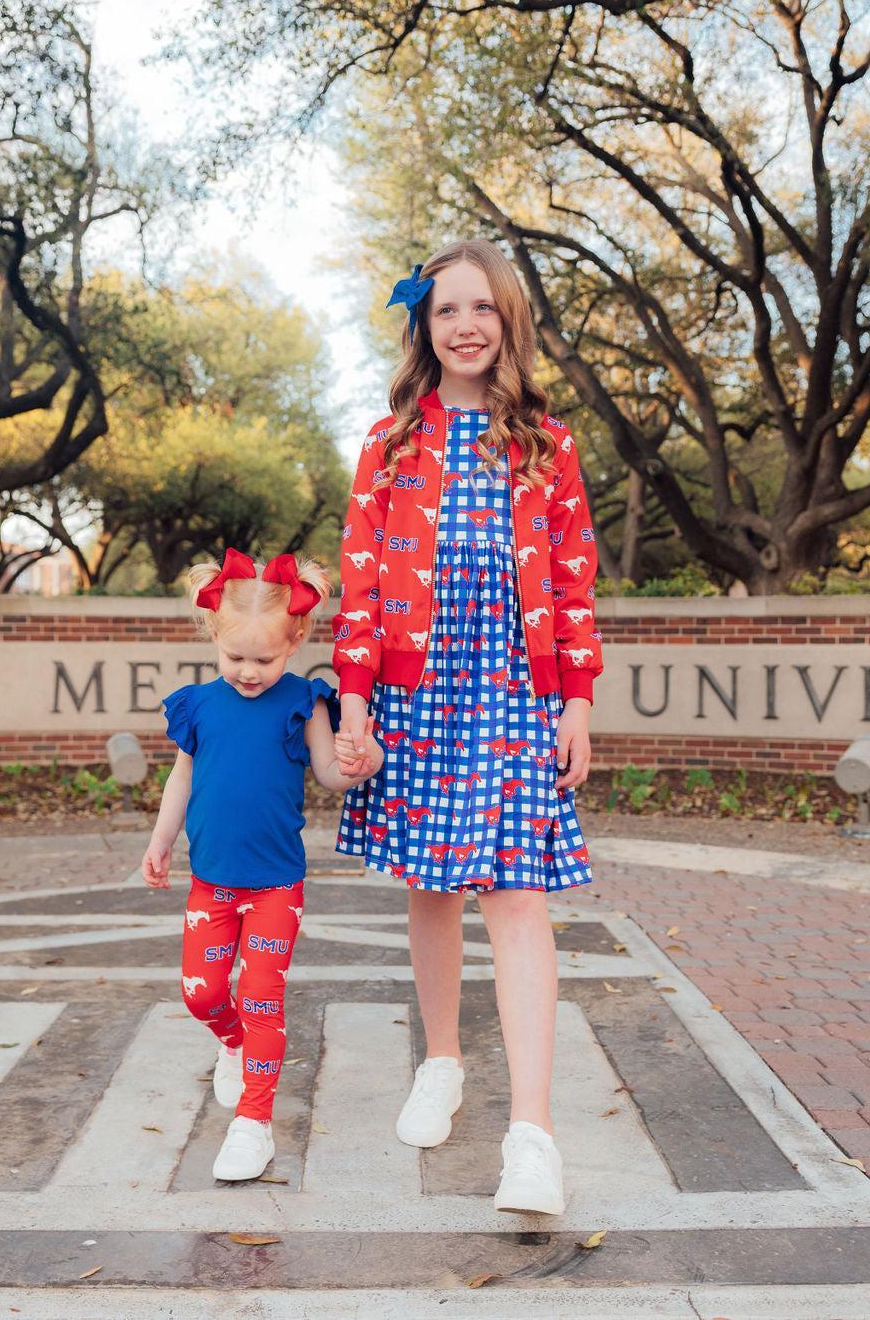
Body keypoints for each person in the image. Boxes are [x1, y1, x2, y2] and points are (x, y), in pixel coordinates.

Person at [333, 238, 603, 1214]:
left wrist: (576, 695)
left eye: (482, 307)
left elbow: (573, 582)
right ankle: (441, 1057)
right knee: (433, 885)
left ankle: (531, 1134)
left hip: (516, 689)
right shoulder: (391, 442)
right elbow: (359, 578)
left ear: (507, 321)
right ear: (426, 325)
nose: (466, 325)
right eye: (446, 309)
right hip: (418, 687)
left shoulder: (549, 444)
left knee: (519, 894)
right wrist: (355, 698)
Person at [142, 547, 382, 1183]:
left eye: (264, 659)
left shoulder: (305, 703)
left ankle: (254, 1123)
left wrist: (367, 762)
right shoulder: (199, 706)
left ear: (296, 640)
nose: (249, 671)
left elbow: (330, 774)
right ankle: (230, 1043)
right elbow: (181, 779)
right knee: (202, 995)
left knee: (261, 998)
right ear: (214, 638)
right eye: (236, 657)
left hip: (278, 883)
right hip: (211, 882)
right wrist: (161, 840)